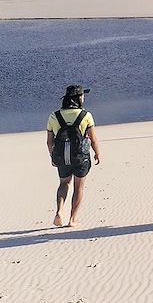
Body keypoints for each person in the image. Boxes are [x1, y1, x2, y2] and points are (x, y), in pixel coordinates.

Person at [46, 85, 101, 228]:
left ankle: (59, 211)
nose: (84, 98)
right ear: (78, 98)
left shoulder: (54, 116)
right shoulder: (86, 115)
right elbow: (93, 139)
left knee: (63, 184)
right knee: (79, 187)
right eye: (83, 95)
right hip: (80, 157)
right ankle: (72, 219)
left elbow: (49, 141)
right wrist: (97, 153)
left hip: (62, 157)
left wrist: (53, 156)